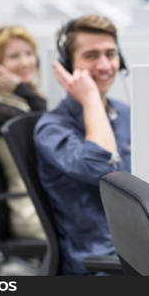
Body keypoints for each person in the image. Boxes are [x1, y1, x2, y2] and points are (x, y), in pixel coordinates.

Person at [34, 14, 131, 275]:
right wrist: (90, 99)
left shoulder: (125, 113)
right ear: (67, 65)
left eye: (110, 54)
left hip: (141, 241)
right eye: (91, 56)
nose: (104, 65)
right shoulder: (51, 129)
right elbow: (103, 169)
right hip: (99, 259)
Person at [0, 26, 46, 239]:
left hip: (46, 202)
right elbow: (52, 132)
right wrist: (22, 89)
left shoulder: (22, 100)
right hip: (33, 210)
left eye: (29, 53)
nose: (26, 62)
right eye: (14, 56)